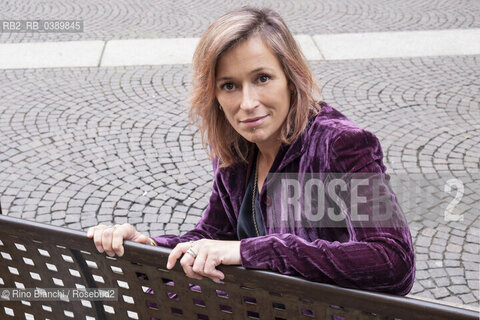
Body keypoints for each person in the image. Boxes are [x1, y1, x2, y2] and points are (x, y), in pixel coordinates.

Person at [87, 7, 415, 295]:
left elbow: (393, 261)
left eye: (262, 78)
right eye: (229, 85)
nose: (247, 103)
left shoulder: (340, 145)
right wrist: (149, 246)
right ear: (213, 95)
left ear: (290, 78)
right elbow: (213, 236)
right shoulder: (236, 150)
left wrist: (252, 251)